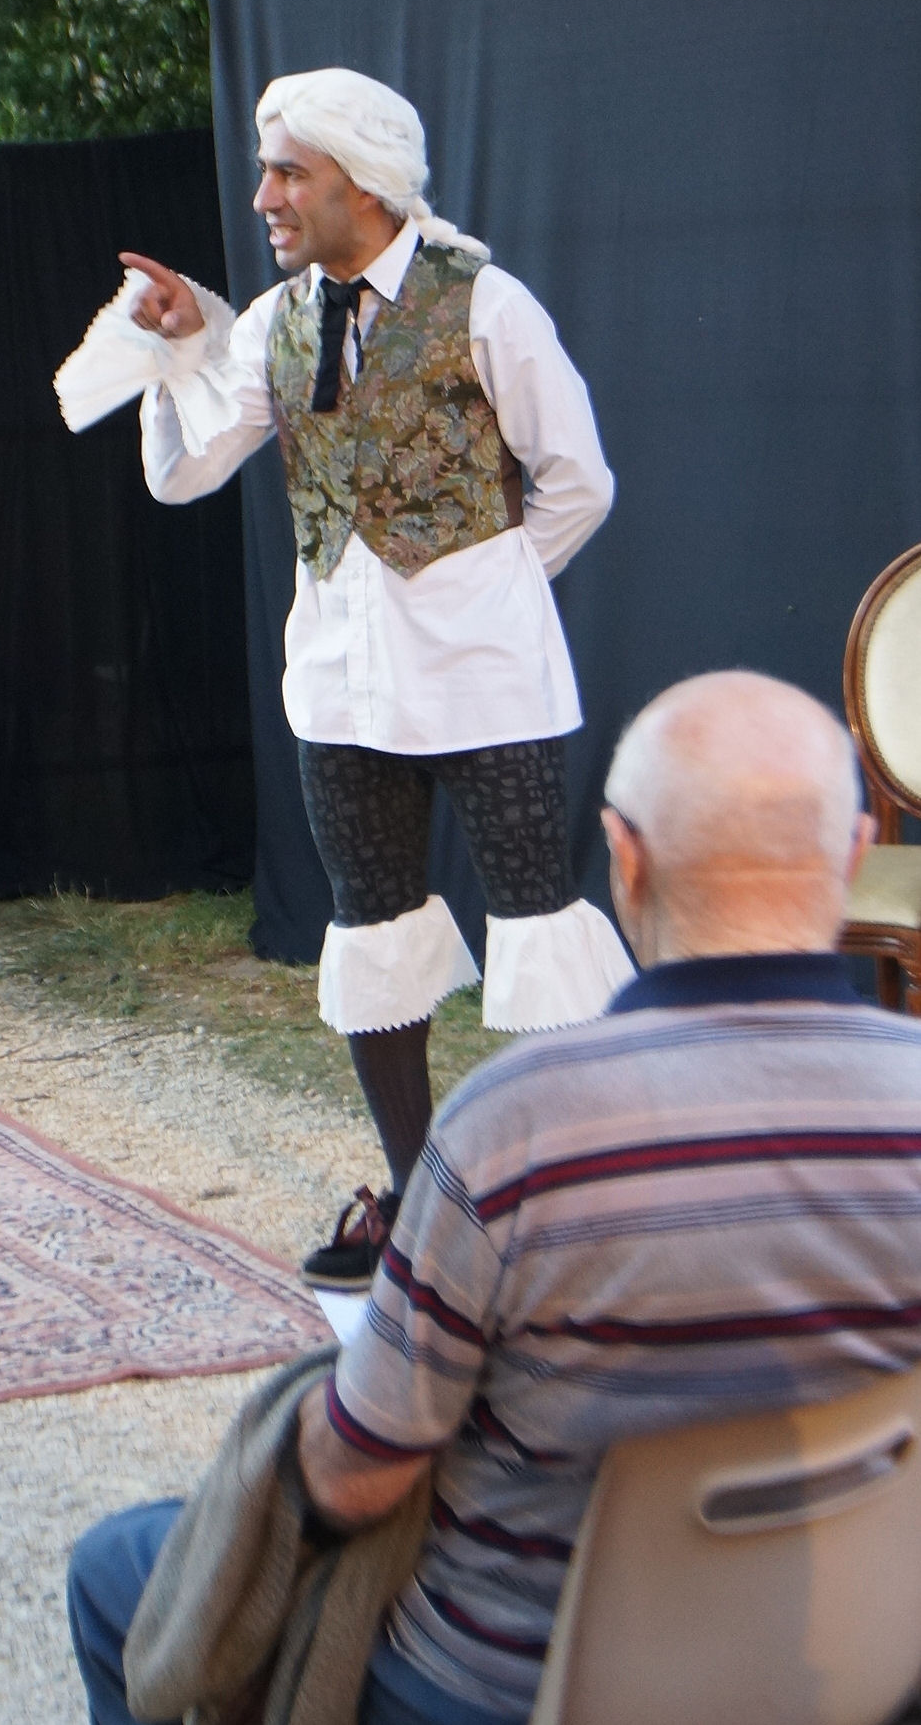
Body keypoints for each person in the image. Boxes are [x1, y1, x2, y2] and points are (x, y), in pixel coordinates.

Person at [68, 670, 921, 1725]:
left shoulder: (513, 1126)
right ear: (853, 851)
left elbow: (355, 1480)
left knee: (113, 1572)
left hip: (508, 1690)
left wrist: (295, 1423)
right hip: (852, 1673)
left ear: (624, 855)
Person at [116, 66, 626, 1283]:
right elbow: (185, 473)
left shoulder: (483, 302)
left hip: (485, 681)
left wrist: (489, 589)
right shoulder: (275, 322)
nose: (263, 196)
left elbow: (577, 480)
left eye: (288, 172)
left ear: (364, 182)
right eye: (266, 170)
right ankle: (419, 1204)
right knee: (374, 932)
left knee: (538, 931)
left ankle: (578, 1215)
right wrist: (175, 352)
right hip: (340, 685)